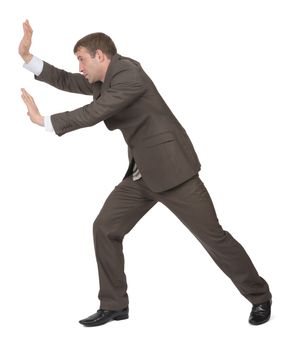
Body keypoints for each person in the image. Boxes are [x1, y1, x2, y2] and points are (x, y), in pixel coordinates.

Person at [19, 19, 272, 327]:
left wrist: (45, 121)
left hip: (174, 172)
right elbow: (68, 80)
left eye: (83, 60)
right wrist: (28, 58)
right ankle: (114, 305)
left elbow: (96, 112)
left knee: (214, 238)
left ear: (101, 56)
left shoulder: (128, 74)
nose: (81, 68)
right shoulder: (104, 79)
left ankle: (259, 296)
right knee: (105, 228)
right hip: (141, 175)